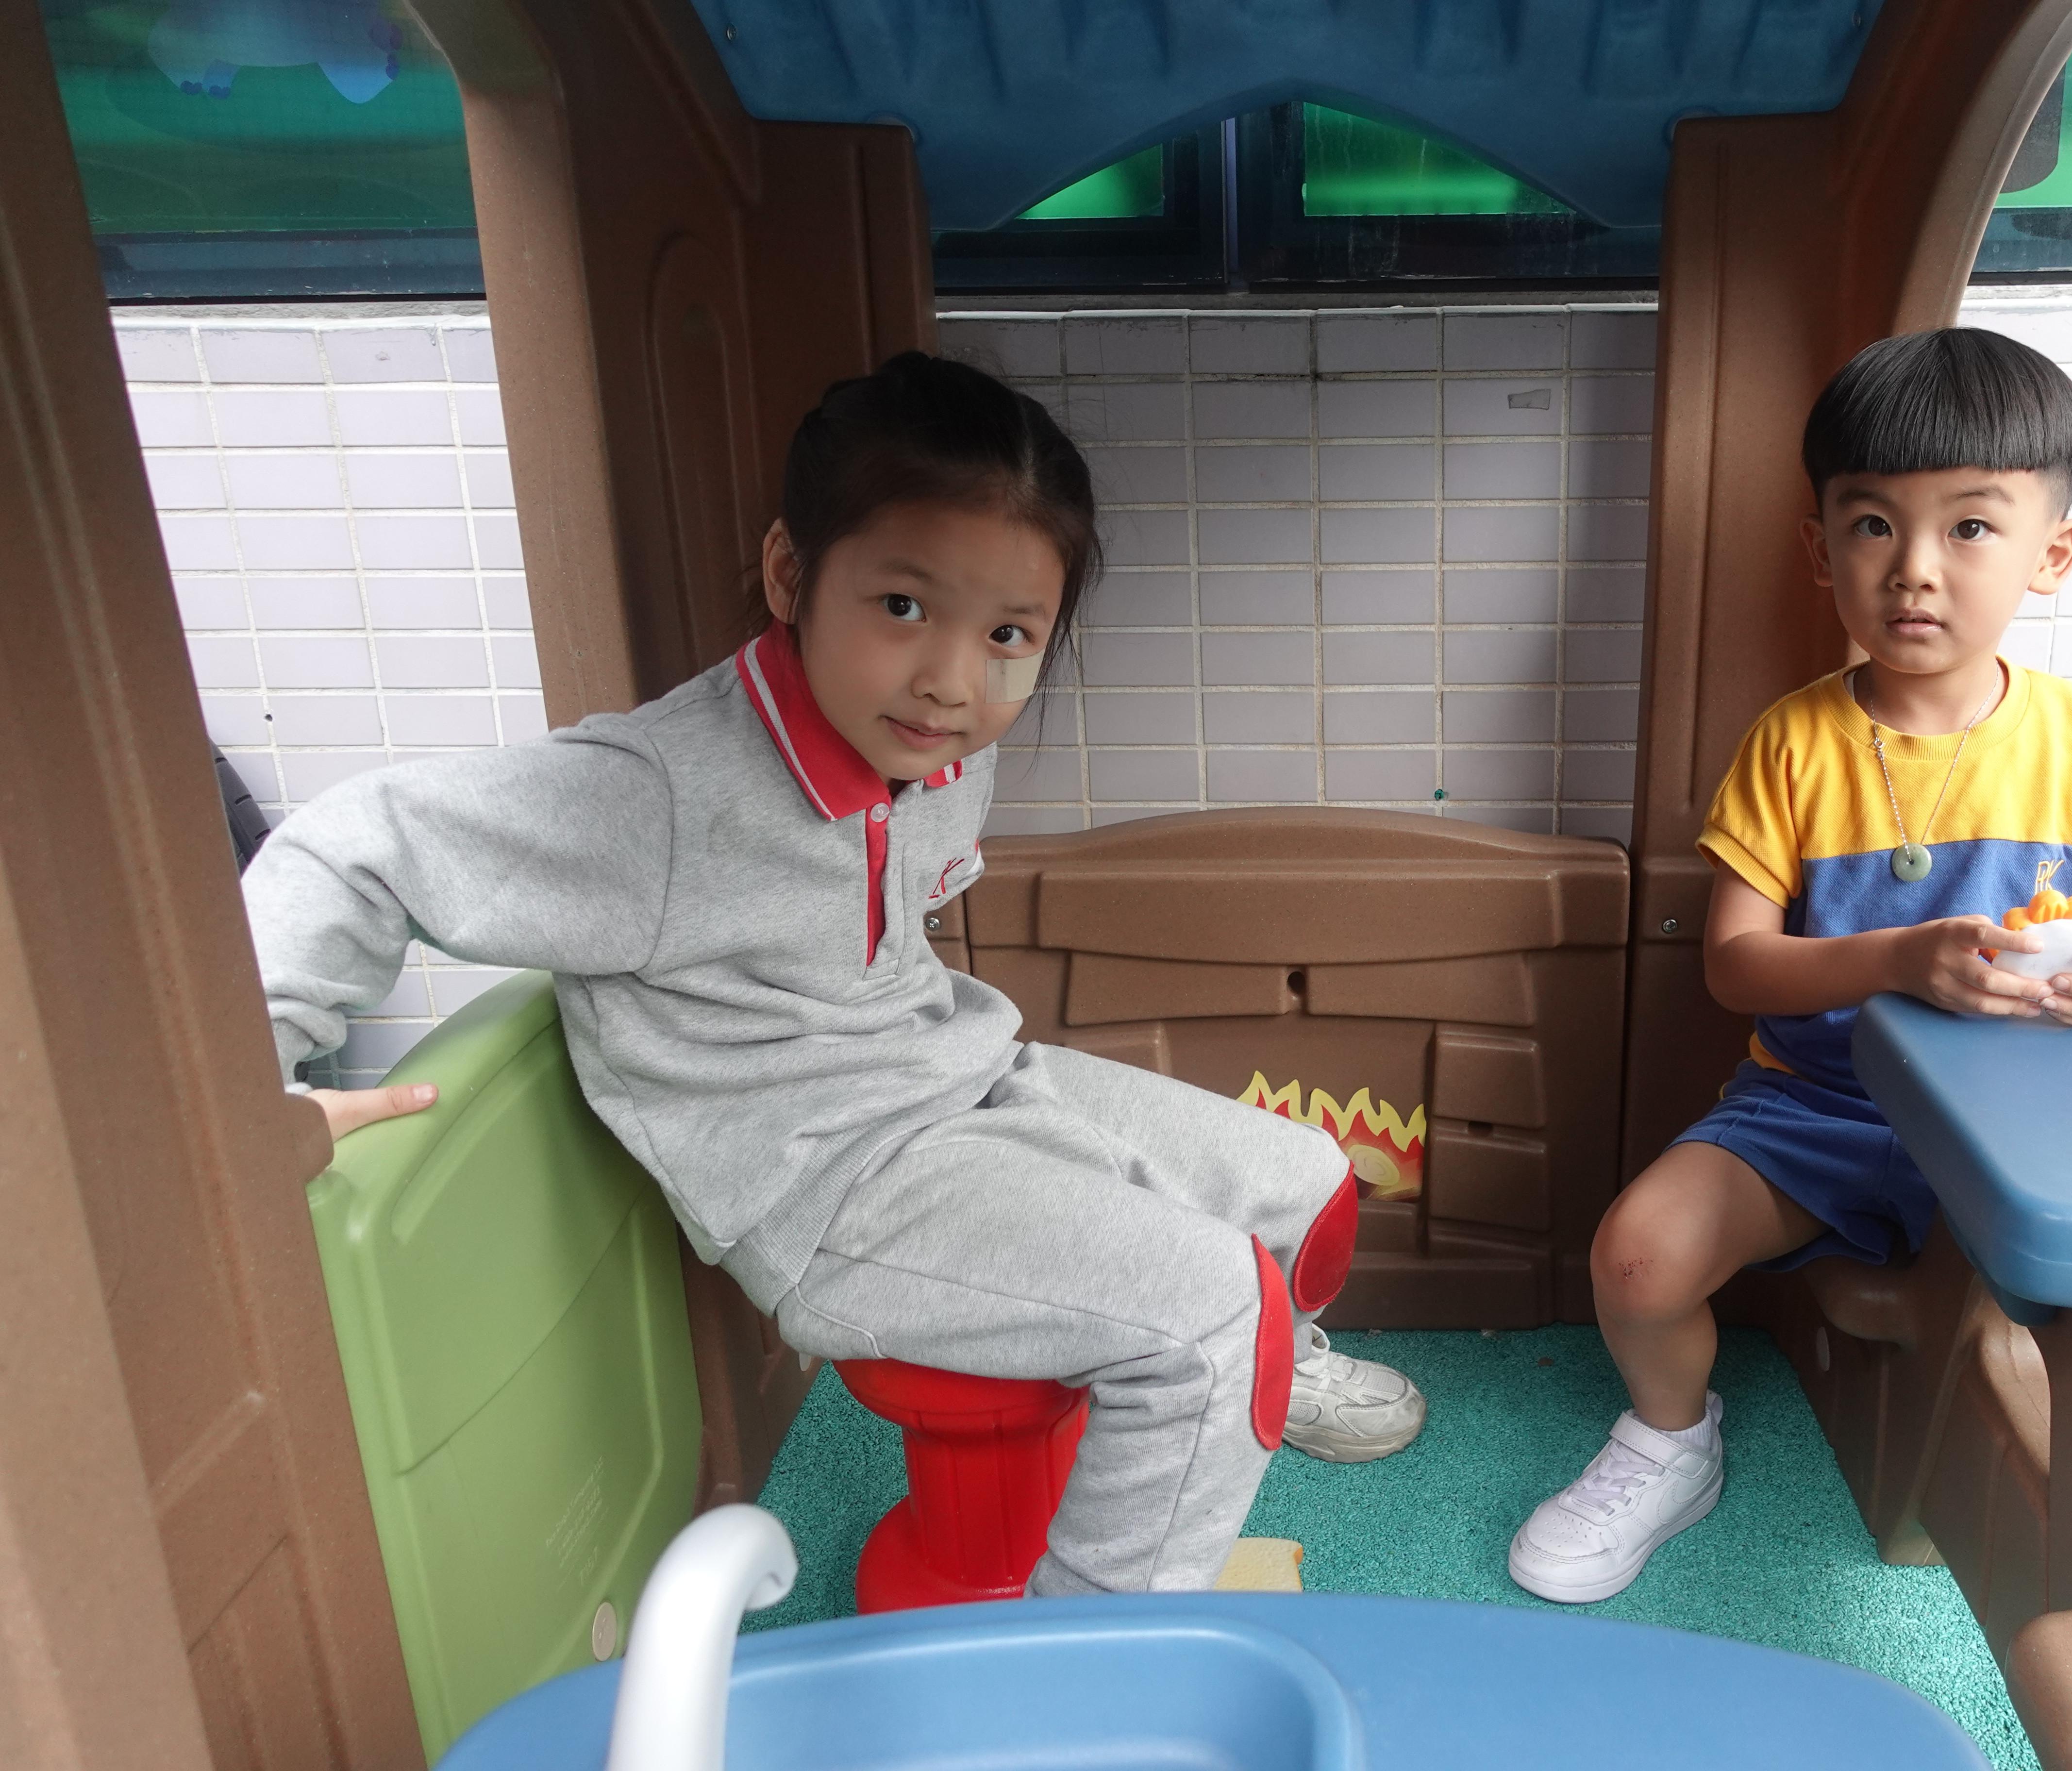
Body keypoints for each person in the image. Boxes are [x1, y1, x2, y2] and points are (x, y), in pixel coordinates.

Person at [246, 351, 1426, 1597]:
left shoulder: (939, 743)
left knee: (1305, 1183)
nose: (951, 680)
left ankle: (1265, 1373)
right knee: (1212, 1317)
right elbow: (355, 844)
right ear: (789, 575)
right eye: (903, 607)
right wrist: (251, 1088)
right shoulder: (653, 802)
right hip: (828, 1189)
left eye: (1008, 635)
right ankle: (1088, 1654)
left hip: (959, 1080)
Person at [1508, 327, 2072, 1605]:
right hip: (1819, 1107)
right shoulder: (1792, 745)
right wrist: (1900, 957)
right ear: (1821, 551)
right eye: (1872, 526)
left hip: (2032, 1126)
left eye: (1971, 528)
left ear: (2053, 554)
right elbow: (1737, 967)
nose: (1914, 568)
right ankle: (1671, 1439)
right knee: (1636, 1258)